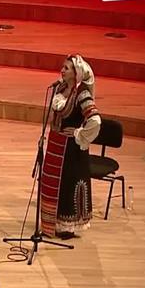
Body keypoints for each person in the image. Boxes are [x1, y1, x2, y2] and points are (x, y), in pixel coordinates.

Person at [40, 54, 101, 239]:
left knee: (67, 185)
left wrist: (78, 133)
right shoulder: (60, 88)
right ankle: (51, 223)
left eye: (66, 68)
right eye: (63, 67)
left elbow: (95, 120)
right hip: (55, 144)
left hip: (71, 149)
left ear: (76, 73)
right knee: (52, 183)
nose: (62, 70)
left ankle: (67, 226)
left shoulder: (82, 94)